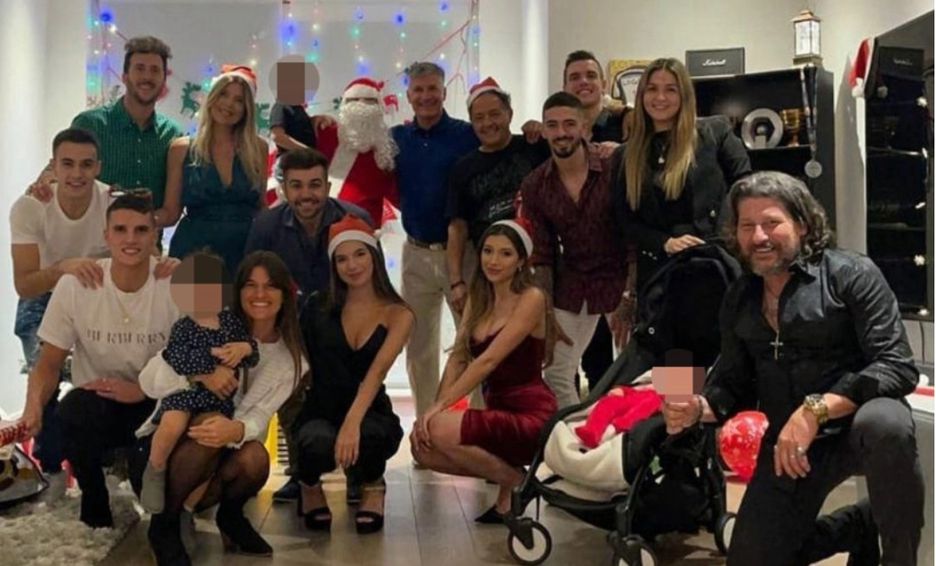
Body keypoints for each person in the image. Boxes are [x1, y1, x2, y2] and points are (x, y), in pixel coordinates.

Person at [662, 171, 924, 566]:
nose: (759, 237)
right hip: (790, 445)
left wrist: (815, 410)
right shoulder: (739, 296)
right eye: (747, 226)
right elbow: (733, 382)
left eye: (771, 223)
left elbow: (897, 366)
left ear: (802, 224)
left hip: (856, 426)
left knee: (886, 422)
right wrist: (698, 407)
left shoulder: (851, 274)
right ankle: (856, 526)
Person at [133, 250, 308, 564]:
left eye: (270, 286)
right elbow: (149, 381)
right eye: (250, 285)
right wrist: (201, 374)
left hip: (222, 451)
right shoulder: (207, 321)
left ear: (285, 294)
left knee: (256, 458)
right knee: (210, 423)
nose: (259, 294)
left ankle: (230, 516)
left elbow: (260, 415)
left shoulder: (290, 361)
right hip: (167, 451)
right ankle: (164, 524)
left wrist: (236, 429)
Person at [20, 195, 179, 528]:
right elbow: (48, 362)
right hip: (100, 404)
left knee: (153, 497)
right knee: (71, 409)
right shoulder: (76, 284)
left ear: (155, 236)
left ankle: (172, 510)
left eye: (141, 230)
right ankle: (94, 498)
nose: (130, 239)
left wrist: (142, 389)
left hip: (159, 405)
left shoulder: (176, 284)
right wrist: (32, 407)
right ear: (106, 235)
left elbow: (196, 363)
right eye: (120, 229)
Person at [243, 147, 371, 502]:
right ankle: (302, 475)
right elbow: (253, 286)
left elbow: (373, 285)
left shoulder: (355, 219)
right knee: (291, 399)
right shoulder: (266, 226)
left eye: (314, 185)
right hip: (291, 326)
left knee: (354, 394)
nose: (306, 194)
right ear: (284, 188)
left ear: (327, 186)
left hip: (346, 325)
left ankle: (360, 472)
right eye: (296, 186)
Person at [411, 219, 560, 523]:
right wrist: (434, 411)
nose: (493, 261)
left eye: (505, 254)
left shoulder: (532, 297)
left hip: (530, 412)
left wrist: (439, 411)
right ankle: (513, 484)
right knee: (423, 449)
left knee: (437, 429)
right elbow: (459, 357)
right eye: (488, 251)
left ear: (521, 261)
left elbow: (488, 360)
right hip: (496, 407)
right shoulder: (479, 297)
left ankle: (520, 484)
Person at [294, 214, 412, 534]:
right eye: (342, 258)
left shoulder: (398, 313)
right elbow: (295, 358)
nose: (352, 265)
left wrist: (351, 424)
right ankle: (309, 486)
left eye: (360, 254)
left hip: (369, 407)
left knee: (370, 436)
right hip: (321, 407)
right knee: (316, 441)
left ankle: (372, 484)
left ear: (374, 255)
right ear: (333, 265)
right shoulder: (317, 306)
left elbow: (377, 372)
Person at [519, 92, 635, 409]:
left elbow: (635, 237)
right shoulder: (535, 185)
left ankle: (636, 438)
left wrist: (631, 294)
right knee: (554, 372)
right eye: (553, 125)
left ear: (585, 128)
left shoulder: (615, 166)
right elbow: (542, 254)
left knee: (637, 371)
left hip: (623, 278)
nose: (561, 132)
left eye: (569, 124)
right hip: (573, 281)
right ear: (544, 131)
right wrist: (545, 311)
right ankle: (575, 436)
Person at [612, 57, 751, 291]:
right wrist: (665, 243)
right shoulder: (624, 156)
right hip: (659, 274)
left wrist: (718, 240)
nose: (660, 97)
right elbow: (625, 220)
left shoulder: (716, 132)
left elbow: (744, 185)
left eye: (670, 89)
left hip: (718, 263)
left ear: (684, 95)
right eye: (652, 89)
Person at [391, 61, 478, 421]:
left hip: (464, 254)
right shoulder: (396, 139)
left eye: (432, 89)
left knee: (474, 341)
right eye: (418, 90)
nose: (426, 96)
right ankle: (427, 428)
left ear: (444, 92)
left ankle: (476, 424)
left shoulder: (467, 135)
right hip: (416, 253)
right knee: (419, 346)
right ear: (408, 95)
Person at [139, 252, 259, 514]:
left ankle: (188, 507)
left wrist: (244, 348)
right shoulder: (184, 326)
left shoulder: (230, 323)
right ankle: (155, 467)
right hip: (186, 393)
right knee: (172, 423)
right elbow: (175, 357)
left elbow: (252, 354)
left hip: (218, 401)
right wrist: (209, 361)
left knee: (212, 448)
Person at [446, 77, 550, 316]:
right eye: (479, 118)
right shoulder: (462, 169)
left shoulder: (535, 147)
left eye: (495, 114)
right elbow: (457, 227)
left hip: (539, 266)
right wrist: (456, 281)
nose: (487, 123)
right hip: (491, 274)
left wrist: (544, 128)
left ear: (509, 114)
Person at [156, 65, 269, 277]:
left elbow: (261, 206)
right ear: (212, 97)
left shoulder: (258, 148)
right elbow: (171, 212)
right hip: (193, 250)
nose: (229, 104)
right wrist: (138, 220)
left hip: (244, 251)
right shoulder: (181, 149)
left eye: (239, 100)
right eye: (224, 94)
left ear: (247, 108)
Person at [70, 36, 184, 209]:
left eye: (155, 70)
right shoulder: (90, 124)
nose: (147, 76)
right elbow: (64, 171)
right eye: (140, 68)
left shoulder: (172, 135)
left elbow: (171, 206)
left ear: (164, 80)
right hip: (96, 226)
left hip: (152, 227)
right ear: (124, 76)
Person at [315, 77, 399, 227]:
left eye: (370, 101)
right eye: (354, 100)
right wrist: (315, 119)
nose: (361, 105)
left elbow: (398, 196)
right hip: (324, 223)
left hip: (365, 229)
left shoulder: (385, 150)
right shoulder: (326, 133)